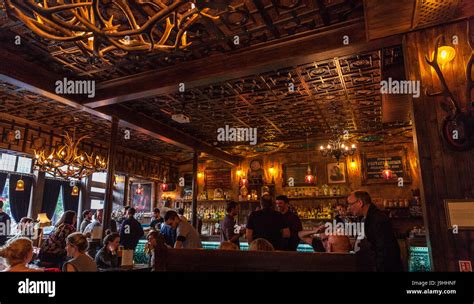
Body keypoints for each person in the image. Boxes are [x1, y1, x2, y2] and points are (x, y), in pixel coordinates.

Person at [347, 190, 403, 272]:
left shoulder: (378, 219)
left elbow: (384, 252)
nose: (348, 208)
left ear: (360, 203)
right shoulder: (366, 217)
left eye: (350, 204)